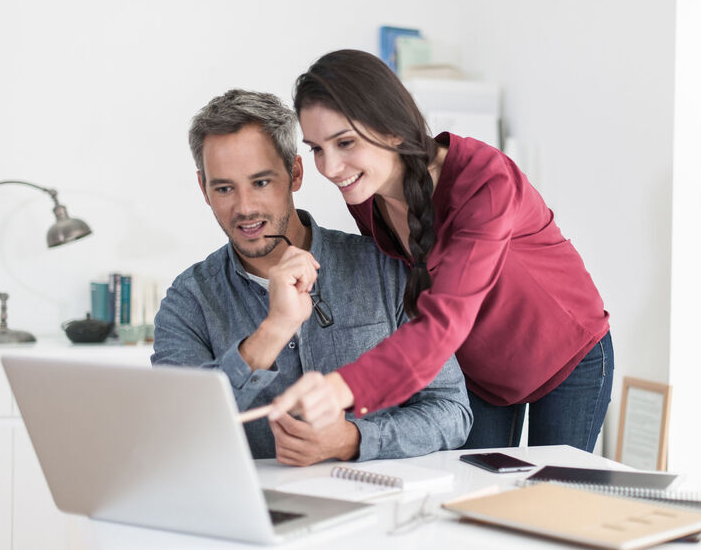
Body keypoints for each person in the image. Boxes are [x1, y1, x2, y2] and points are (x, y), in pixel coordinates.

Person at [267, 49, 614, 452]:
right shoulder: (365, 192)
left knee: (551, 506)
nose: (329, 167)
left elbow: (443, 319)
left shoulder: (486, 181)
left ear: (392, 127)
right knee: (470, 496)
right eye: (317, 149)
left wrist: (341, 387)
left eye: (344, 142)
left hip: (565, 355)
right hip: (479, 369)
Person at [151, 89, 472, 466]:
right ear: (203, 189)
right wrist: (273, 329)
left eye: (261, 182)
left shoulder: (383, 267)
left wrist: (352, 440)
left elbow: (451, 411)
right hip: (260, 514)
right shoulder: (187, 302)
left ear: (295, 174)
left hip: (377, 508)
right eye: (224, 188)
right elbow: (179, 431)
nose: (245, 207)